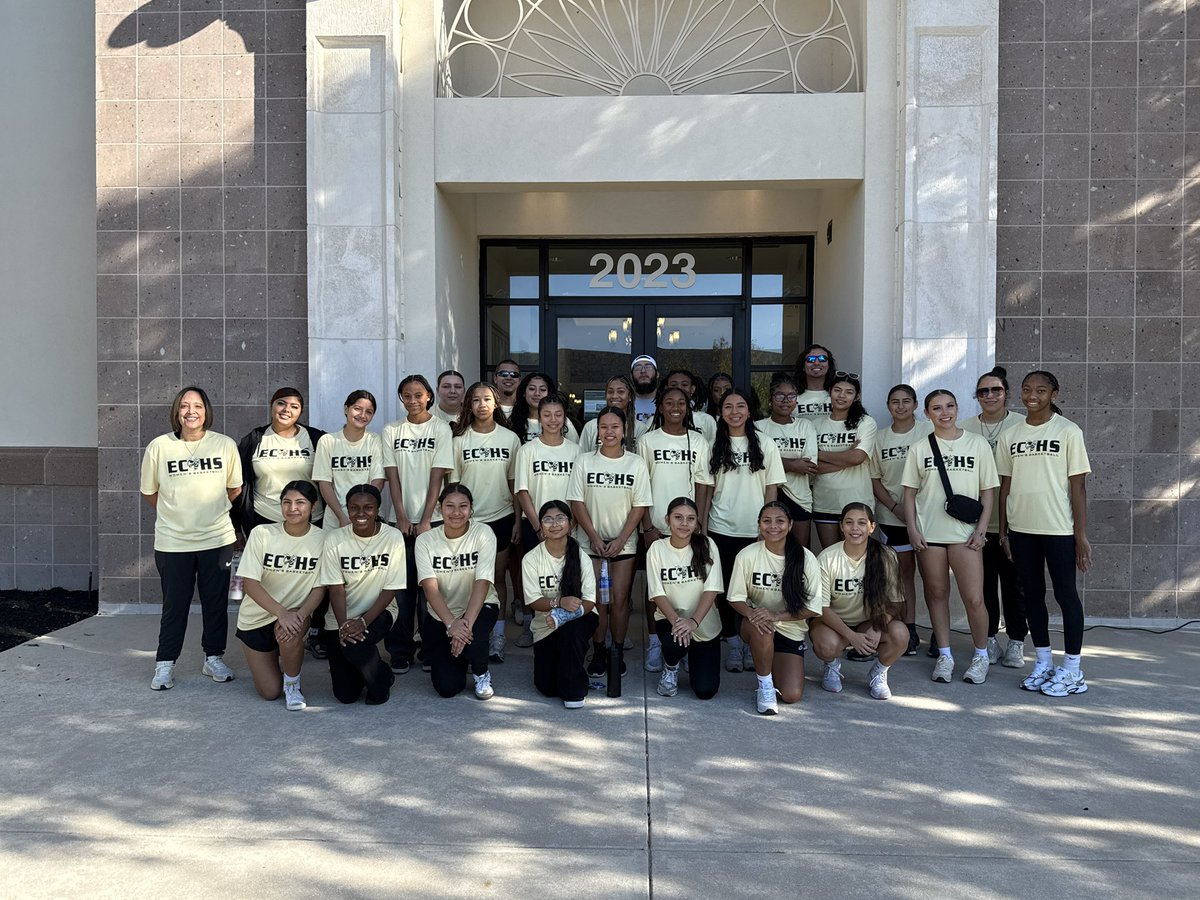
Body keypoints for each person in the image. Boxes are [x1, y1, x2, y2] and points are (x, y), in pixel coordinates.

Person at [141, 386, 243, 691]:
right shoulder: (159, 447)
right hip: (173, 542)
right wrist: (177, 514)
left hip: (217, 539)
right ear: (177, 411)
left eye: (197, 406)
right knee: (175, 605)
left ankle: (213, 657)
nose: (191, 412)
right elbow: (150, 492)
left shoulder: (224, 445)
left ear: (206, 410)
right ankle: (165, 664)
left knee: (215, 603)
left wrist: (209, 513)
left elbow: (234, 489)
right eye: (185, 406)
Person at [997, 370, 1092, 697]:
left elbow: (1078, 487)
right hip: (1022, 530)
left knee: (1066, 595)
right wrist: (1003, 531)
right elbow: (1005, 486)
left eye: (1040, 390)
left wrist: (1080, 535)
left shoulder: (1068, 431)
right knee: (1032, 596)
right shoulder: (1011, 434)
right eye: (1026, 389)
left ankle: (1073, 670)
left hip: (1059, 530)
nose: (1032, 395)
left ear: (1054, 393)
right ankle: (1043, 663)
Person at [902, 389, 997, 685]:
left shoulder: (977, 443)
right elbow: (909, 494)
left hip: (965, 535)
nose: (945, 413)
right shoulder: (920, 448)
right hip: (930, 534)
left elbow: (988, 492)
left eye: (950, 406)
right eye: (937, 408)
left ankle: (981, 655)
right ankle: (945, 654)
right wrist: (913, 529)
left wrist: (981, 531)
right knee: (936, 593)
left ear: (957, 408)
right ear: (927, 413)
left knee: (974, 597)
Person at [703, 387, 786, 673]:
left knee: (754, 591)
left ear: (750, 411)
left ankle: (752, 641)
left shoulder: (766, 444)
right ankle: (733, 643)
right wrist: (703, 529)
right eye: (728, 406)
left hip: (756, 531)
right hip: (721, 528)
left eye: (740, 406)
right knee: (727, 590)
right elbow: (707, 491)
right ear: (721, 412)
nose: (734, 412)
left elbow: (771, 488)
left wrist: (769, 528)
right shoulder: (712, 445)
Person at [568, 406, 653, 678]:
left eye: (615, 426)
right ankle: (598, 651)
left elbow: (640, 506)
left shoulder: (636, 463)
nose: (609, 432)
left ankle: (616, 649)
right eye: (604, 426)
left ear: (624, 430)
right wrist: (593, 536)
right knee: (597, 601)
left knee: (619, 600)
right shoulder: (584, 461)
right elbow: (577, 502)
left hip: (623, 544)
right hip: (590, 543)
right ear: (597, 431)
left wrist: (621, 539)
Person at [381, 374, 453, 675]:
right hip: (398, 521)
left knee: (429, 588)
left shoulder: (441, 428)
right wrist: (400, 515)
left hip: (432, 521)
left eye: (418, 395)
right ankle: (401, 650)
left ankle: (429, 647)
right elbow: (392, 475)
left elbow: (438, 476)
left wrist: (425, 519)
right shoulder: (391, 430)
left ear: (428, 397)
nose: (413, 400)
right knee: (400, 589)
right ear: (401, 398)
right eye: (407, 395)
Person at [638, 387, 714, 672]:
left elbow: (704, 485)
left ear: (688, 408)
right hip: (656, 527)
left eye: (681, 403)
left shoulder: (698, 440)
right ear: (660, 407)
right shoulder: (647, 440)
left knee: (689, 584)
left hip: (687, 527)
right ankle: (655, 641)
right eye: (669, 402)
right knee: (655, 588)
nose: (675, 407)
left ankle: (686, 639)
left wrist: (700, 524)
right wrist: (647, 526)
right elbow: (641, 486)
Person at [234, 480, 327, 710]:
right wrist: (281, 613)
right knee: (270, 692)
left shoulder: (323, 539)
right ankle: (280, 658)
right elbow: (250, 583)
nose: (292, 508)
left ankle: (293, 684)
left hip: (295, 613)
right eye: (287, 502)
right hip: (256, 618)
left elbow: (319, 588)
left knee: (289, 633)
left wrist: (299, 616)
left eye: (300, 502)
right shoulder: (262, 533)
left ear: (314, 506)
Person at [727, 501, 823, 714]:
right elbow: (735, 598)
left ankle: (766, 656)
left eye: (780, 521)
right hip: (754, 622)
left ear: (790, 525)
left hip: (789, 627)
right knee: (763, 629)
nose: (773, 526)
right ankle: (765, 686)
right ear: (759, 525)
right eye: (766, 521)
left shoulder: (806, 558)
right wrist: (754, 614)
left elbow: (813, 608)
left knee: (791, 694)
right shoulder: (747, 555)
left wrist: (776, 615)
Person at [962, 366, 1027, 668]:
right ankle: (988, 639)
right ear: (976, 396)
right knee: (983, 586)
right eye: (983, 391)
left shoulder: (1022, 425)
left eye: (996, 390)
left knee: (1015, 585)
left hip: (1015, 521)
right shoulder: (964, 428)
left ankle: (1016, 641)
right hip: (977, 524)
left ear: (1006, 394)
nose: (989, 395)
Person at [810, 503, 909, 699]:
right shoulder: (827, 557)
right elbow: (821, 607)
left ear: (872, 527)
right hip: (833, 623)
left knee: (900, 634)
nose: (855, 528)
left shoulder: (886, 555)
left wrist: (878, 627)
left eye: (862, 523)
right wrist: (851, 636)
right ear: (841, 526)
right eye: (849, 522)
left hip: (868, 622)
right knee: (825, 645)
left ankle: (879, 673)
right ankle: (831, 666)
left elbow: (897, 603)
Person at [451, 382, 520, 662]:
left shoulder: (510, 439)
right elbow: (454, 486)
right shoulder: (459, 440)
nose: (482, 404)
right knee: (468, 580)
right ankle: (466, 632)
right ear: (469, 404)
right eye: (476, 400)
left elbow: (515, 484)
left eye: (487, 399)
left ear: (496, 404)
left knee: (497, 578)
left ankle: (497, 636)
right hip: (469, 521)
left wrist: (517, 521)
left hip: (501, 517)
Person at [415, 483, 501, 700]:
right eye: (449, 506)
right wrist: (451, 624)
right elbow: (430, 588)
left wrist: (464, 627)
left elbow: (482, 582)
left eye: (463, 506)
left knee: (475, 639)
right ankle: (464, 655)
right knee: (447, 688)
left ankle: (481, 671)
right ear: (439, 509)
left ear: (471, 508)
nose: (456, 512)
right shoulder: (425, 541)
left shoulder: (483, 533)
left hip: (480, 606)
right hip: (442, 615)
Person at [319, 484, 404, 705]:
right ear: (347, 509)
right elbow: (336, 588)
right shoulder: (334, 539)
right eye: (354, 508)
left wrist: (363, 622)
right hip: (340, 617)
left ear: (377, 510)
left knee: (359, 655)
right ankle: (374, 666)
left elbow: (391, 588)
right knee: (346, 695)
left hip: (379, 611)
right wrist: (343, 626)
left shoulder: (393, 537)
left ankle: (382, 679)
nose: (361, 513)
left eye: (368, 507)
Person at [514, 393, 582, 646]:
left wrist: (571, 524)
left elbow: (579, 493)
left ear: (564, 417)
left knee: (568, 576)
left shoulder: (576, 451)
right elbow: (522, 491)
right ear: (539, 418)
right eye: (547, 415)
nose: (553, 420)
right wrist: (538, 527)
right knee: (536, 577)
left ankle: (567, 624)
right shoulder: (528, 450)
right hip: (536, 526)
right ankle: (532, 625)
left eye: (558, 414)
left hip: (568, 527)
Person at [869, 384, 930, 656]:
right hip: (893, 517)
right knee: (901, 575)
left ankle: (939, 636)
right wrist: (895, 507)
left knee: (933, 577)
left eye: (907, 401)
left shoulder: (928, 432)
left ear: (915, 405)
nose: (901, 406)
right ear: (888, 406)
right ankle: (909, 628)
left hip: (928, 517)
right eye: (895, 401)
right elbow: (875, 479)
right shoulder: (880, 438)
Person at [522, 500, 598, 708]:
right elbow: (533, 601)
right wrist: (559, 603)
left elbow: (590, 601)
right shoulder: (531, 558)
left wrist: (562, 615)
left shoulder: (581, 556)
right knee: (547, 687)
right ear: (540, 526)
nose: (554, 524)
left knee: (572, 633)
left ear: (571, 524)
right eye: (547, 519)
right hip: (545, 625)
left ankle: (574, 692)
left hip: (581, 616)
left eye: (560, 518)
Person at [646, 497, 723, 702]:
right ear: (667, 520)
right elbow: (657, 593)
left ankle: (691, 653)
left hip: (703, 623)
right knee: (675, 645)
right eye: (678, 517)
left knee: (705, 691)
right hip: (671, 620)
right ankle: (671, 667)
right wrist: (679, 623)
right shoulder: (657, 548)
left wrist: (693, 622)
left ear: (697, 522)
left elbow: (712, 589)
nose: (684, 523)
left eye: (690, 518)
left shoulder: (707, 545)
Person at [234, 386, 326, 538]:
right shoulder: (254, 439)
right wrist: (236, 527)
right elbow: (238, 485)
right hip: (264, 520)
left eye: (294, 406)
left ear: (300, 411)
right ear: (272, 405)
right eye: (281, 403)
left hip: (310, 521)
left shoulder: (316, 438)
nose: (286, 410)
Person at [812, 372, 877, 548]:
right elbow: (812, 466)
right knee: (831, 556)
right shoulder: (815, 424)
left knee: (857, 557)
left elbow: (858, 457)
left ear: (856, 397)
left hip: (857, 501)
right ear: (829, 392)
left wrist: (819, 454)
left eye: (849, 392)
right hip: (825, 502)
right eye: (837, 390)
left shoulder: (865, 422)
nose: (842, 395)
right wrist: (847, 455)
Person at [755, 374, 819, 549]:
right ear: (770, 400)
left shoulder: (805, 426)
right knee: (768, 549)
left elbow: (809, 466)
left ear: (796, 401)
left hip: (799, 498)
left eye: (791, 396)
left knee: (798, 551)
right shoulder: (758, 427)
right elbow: (757, 463)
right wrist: (792, 464)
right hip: (767, 495)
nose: (785, 400)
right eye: (779, 396)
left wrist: (774, 462)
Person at [312, 390, 385, 529]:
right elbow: (325, 483)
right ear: (346, 409)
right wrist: (342, 516)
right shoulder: (327, 441)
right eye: (357, 409)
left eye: (369, 412)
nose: (362, 415)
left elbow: (378, 481)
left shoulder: (375, 440)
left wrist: (362, 511)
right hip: (336, 519)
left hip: (366, 518)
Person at [579, 374, 647, 450]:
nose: (614, 396)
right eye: (610, 392)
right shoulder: (591, 426)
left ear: (630, 396)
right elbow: (582, 454)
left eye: (620, 392)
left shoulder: (640, 428)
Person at [509, 372, 579, 444]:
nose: (537, 393)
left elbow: (574, 447)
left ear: (549, 393)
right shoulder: (513, 420)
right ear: (524, 393)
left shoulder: (561, 421)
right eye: (532, 389)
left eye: (542, 389)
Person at [664, 368, 717, 444]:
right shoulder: (656, 420)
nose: (679, 388)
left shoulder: (706, 420)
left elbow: (712, 448)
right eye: (673, 385)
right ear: (666, 388)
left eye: (684, 385)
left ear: (692, 389)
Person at [793, 343, 836, 421]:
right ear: (803, 366)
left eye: (822, 358)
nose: (816, 363)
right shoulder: (791, 395)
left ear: (829, 365)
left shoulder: (839, 394)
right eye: (811, 359)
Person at [631, 354, 659, 426]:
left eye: (648, 367)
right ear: (631, 376)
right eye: (638, 368)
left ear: (657, 374)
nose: (643, 371)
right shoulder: (626, 402)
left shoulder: (666, 402)